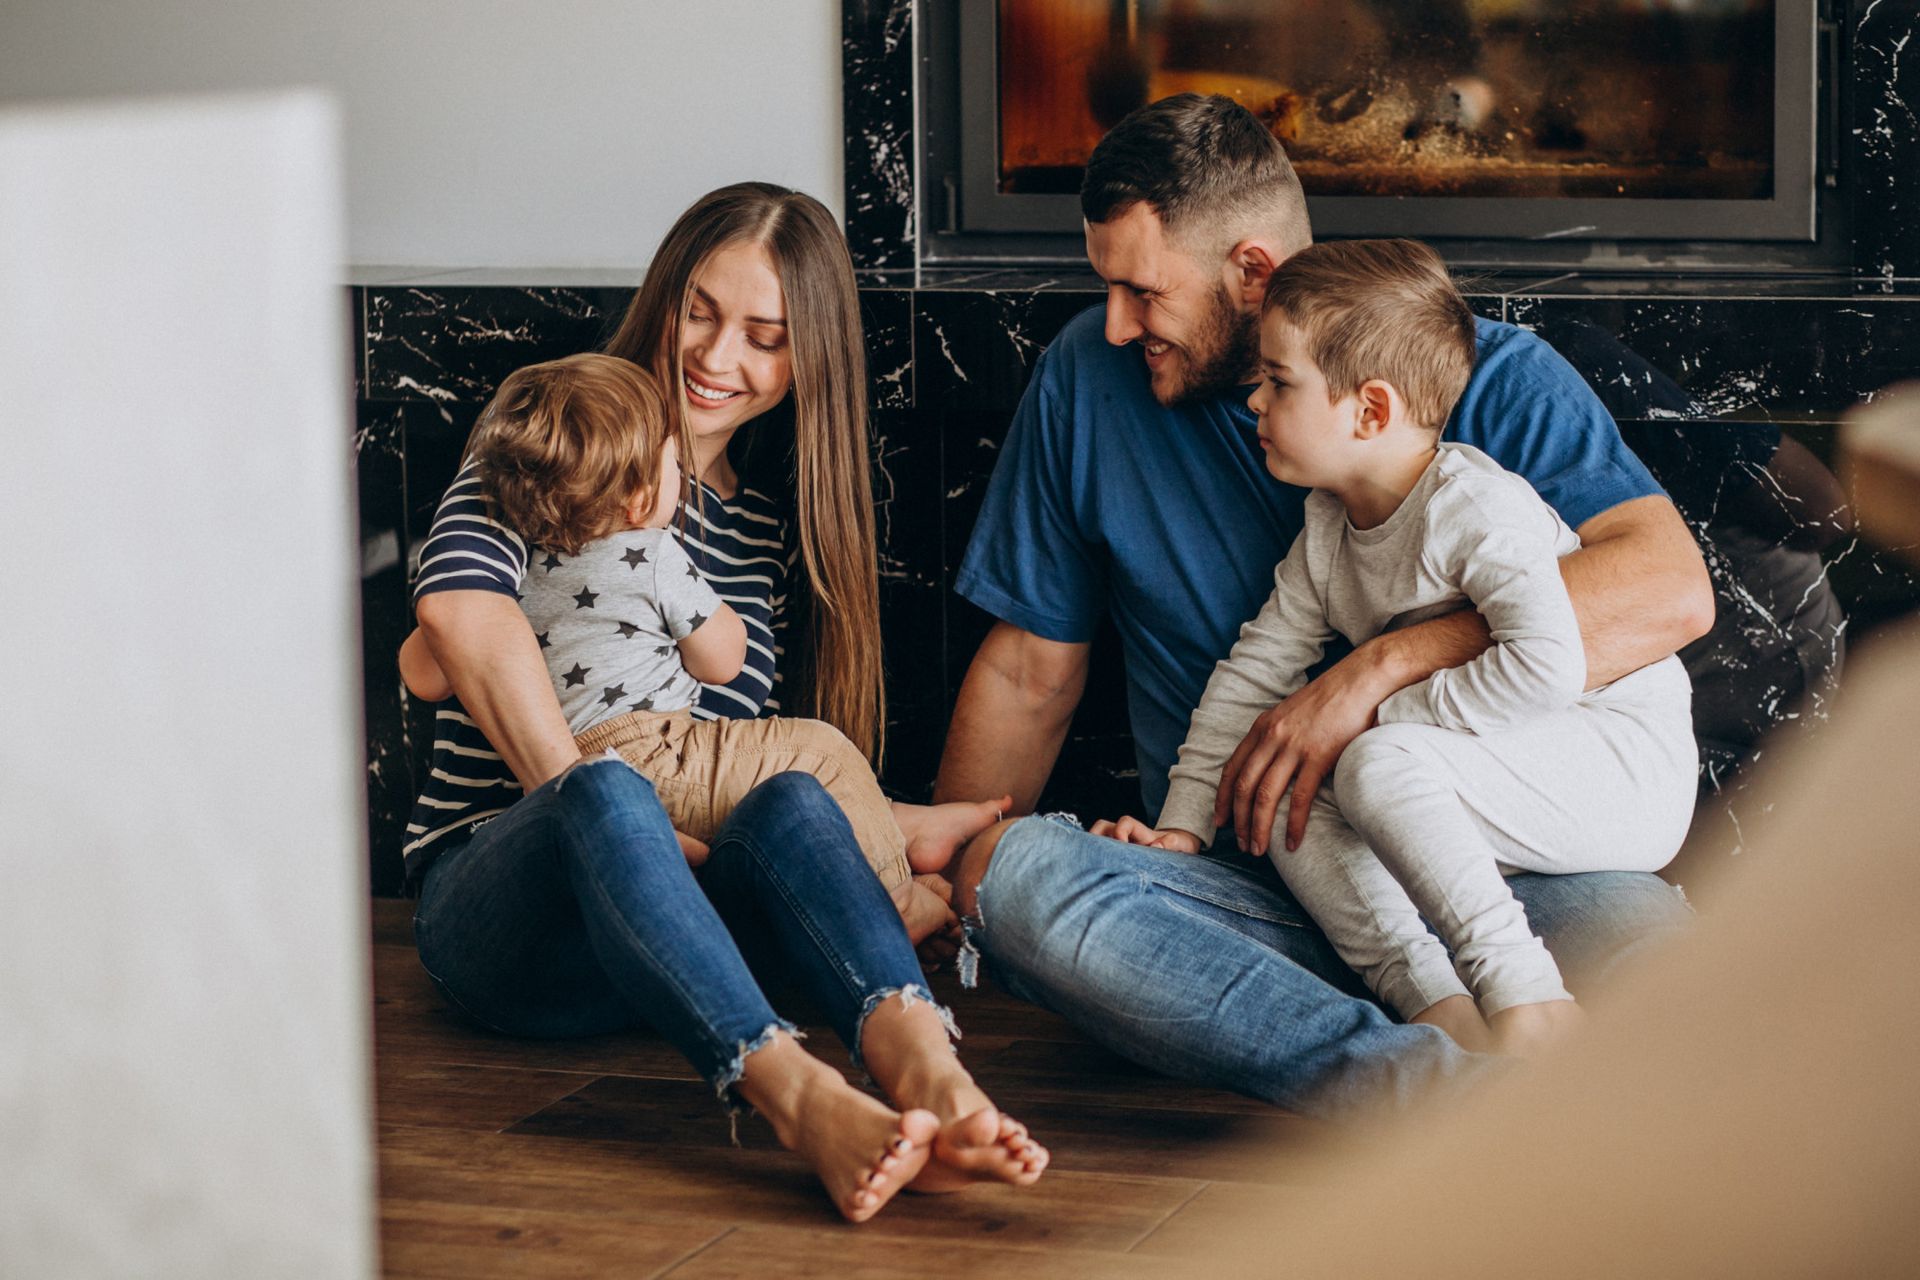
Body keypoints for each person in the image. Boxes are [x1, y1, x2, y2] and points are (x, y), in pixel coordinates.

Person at [931, 95, 1714, 1117]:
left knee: (1658, 961)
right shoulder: (1092, 379)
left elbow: (1669, 590)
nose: (1117, 324)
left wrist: (1374, 676)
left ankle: (1434, 1058)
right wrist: (942, 881)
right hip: (1249, 879)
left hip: (1500, 877)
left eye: (1141, 290)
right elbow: (1033, 669)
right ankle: (1441, 1092)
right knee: (1013, 880)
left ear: (1253, 272)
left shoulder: (1491, 384)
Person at [402, 183, 1044, 1222]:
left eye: (764, 336)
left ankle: (932, 1071)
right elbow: (461, 617)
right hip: (502, 911)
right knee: (607, 789)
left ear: (807, 362)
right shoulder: (552, 438)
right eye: (699, 310)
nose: (715, 356)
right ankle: (801, 1098)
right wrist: (595, 803)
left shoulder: (757, 535)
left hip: (669, 940)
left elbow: (713, 760)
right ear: (664, 297)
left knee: (792, 794)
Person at [1101, 240, 1697, 1056]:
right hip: (1489, 768)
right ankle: (1436, 1005)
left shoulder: (1475, 508)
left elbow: (1547, 663)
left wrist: (1388, 714)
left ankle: (1529, 998)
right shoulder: (1326, 529)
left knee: (1372, 762)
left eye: (1277, 383)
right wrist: (1183, 828)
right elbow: (1252, 673)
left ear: (1370, 411)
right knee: (1281, 779)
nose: (1253, 405)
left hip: (1616, 766)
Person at [399, 352, 994, 944]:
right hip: (648, 758)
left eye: (763, 337)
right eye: (672, 461)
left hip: (605, 773)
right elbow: (722, 662)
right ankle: (896, 895)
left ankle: (896, 823)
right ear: (637, 497)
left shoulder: (520, 561)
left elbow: (424, 674)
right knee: (822, 752)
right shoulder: (653, 552)